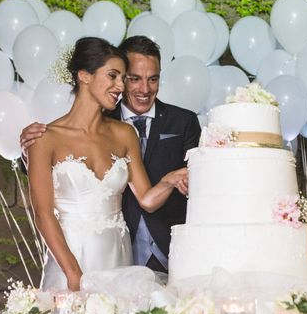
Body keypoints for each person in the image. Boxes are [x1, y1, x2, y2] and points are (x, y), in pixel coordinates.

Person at [21, 36, 201, 274]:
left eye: (123, 78)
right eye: (118, 77)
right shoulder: (45, 136)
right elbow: (43, 213)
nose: (121, 86)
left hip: (121, 254)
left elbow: (147, 198)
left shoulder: (127, 133)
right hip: (72, 256)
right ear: (84, 75)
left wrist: (169, 179)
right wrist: (75, 277)